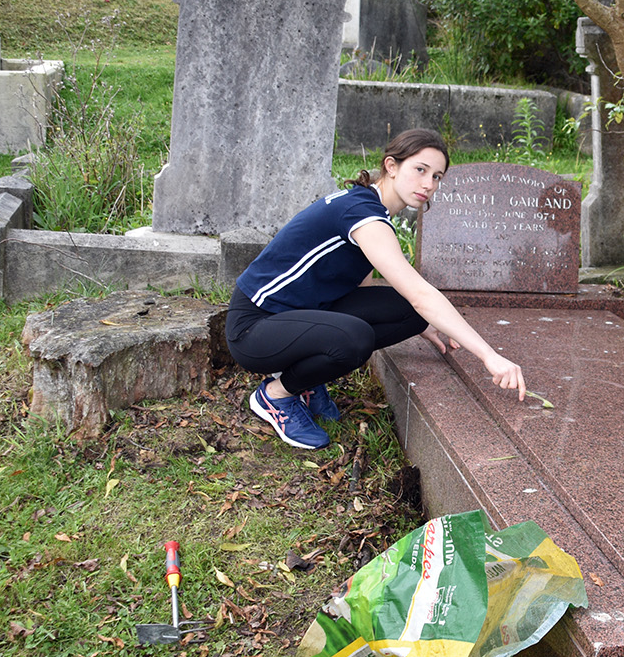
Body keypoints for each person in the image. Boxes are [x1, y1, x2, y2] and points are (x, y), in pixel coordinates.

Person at [225, 128, 526, 450]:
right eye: (420, 170)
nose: (429, 184)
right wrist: (489, 356)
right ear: (392, 166)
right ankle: (275, 396)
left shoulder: (371, 208)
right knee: (355, 337)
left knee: (411, 314)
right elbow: (420, 293)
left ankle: (307, 381)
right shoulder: (362, 214)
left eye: (437, 176)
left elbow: (358, 283)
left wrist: (418, 322)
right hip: (255, 328)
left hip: (295, 315)